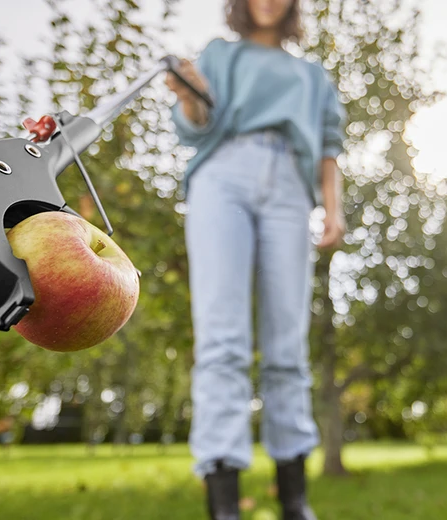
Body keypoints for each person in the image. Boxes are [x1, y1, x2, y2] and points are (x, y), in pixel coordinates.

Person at [164, 0, 346, 518]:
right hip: (222, 176)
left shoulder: (312, 77)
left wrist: (333, 210)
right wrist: (187, 95)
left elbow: (329, 148)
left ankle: (295, 499)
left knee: (287, 341)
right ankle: (223, 498)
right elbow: (196, 124)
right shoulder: (219, 57)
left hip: (290, 184)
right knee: (222, 338)